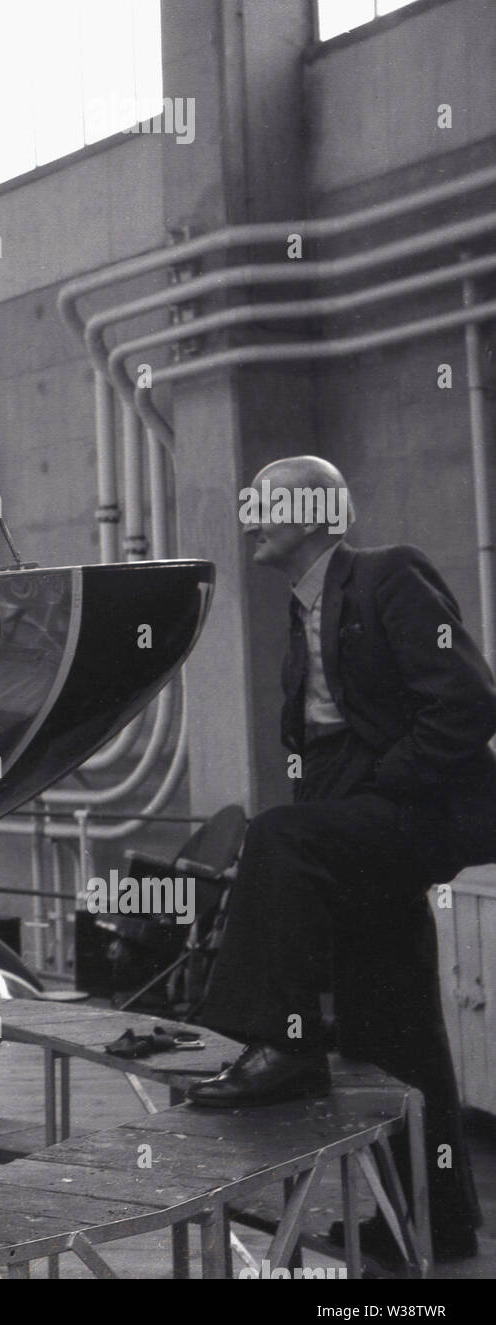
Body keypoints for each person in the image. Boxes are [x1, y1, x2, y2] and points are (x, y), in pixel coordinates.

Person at [189, 454, 494, 1264]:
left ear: (322, 510)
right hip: (359, 829)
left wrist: (385, 785)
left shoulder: (388, 575)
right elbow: (323, 750)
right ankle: (441, 1221)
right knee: (394, 1024)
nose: (251, 511)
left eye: (269, 497)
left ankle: (281, 1044)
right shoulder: (297, 624)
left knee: (276, 835)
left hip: (413, 812)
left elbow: (468, 700)